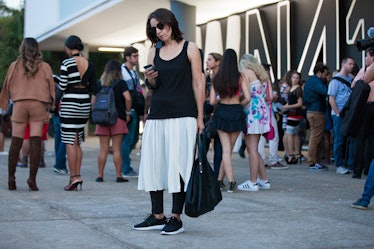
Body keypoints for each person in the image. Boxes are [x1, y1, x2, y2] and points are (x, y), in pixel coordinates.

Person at [133, 8, 204, 235]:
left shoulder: (190, 48)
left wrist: (200, 117)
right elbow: (153, 88)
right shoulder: (154, 50)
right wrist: (150, 81)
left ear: (170, 23)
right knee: (154, 163)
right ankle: (157, 216)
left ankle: (176, 217)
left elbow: (197, 84)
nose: (158, 31)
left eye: (160, 26)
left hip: (184, 115)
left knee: (178, 165)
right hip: (157, 114)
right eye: (153, 28)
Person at [0, 37, 55, 191]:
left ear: (22, 49)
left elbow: (6, 85)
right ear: (37, 49)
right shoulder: (45, 66)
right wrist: (50, 106)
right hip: (38, 105)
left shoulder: (14, 66)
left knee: (16, 141)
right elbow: (51, 87)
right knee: (36, 141)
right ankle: (32, 180)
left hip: (19, 105)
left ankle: (11, 178)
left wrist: (4, 104)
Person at [58, 35, 96, 191]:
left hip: (70, 102)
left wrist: (54, 104)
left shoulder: (66, 63)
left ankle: (74, 177)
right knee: (77, 139)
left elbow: (62, 86)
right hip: (84, 102)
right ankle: (77, 175)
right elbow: (94, 87)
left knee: (69, 140)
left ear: (68, 48)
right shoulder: (89, 64)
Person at [209, 49, 250, 193]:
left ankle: (227, 181)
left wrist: (222, 100)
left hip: (222, 112)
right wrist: (239, 104)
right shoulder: (240, 77)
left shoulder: (217, 78)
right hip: (237, 112)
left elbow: (213, 100)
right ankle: (224, 181)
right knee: (229, 149)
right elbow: (248, 97)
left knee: (226, 150)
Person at [237, 53, 272, 192]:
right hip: (261, 111)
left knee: (251, 148)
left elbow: (246, 97)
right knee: (255, 148)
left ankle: (252, 182)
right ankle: (263, 179)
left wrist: (236, 104)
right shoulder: (261, 75)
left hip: (251, 112)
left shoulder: (244, 73)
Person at [94, 59, 132, 183]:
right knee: (116, 148)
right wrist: (127, 112)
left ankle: (100, 175)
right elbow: (128, 98)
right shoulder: (121, 83)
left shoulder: (99, 83)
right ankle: (119, 175)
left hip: (102, 119)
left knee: (103, 148)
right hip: (118, 118)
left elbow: (93, 102)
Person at [327, 57, 355, 174]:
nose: (352, 66)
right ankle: (339, 164)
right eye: (350, 64)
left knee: (349, 139)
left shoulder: (351, 79)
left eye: (353, 64)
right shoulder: (335, 81)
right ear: (344, 65)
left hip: (349, 112)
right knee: (339, 139)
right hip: (339, 113)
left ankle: (349, 163)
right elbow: (331, 99)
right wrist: (337, 113)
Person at [258, 63, 287, 169]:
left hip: (257, 112)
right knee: (273, 135)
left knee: (261, 137)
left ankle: (262, 161)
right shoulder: (265, 81)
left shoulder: (254, 80)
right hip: (266, 110)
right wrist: (272, 97)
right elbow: (269, 96)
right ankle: (274, 160)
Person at [303, 62, 329, 171]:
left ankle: (316, 161)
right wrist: (327, 82)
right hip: (317, 112)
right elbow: (326, 91)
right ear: (319, 72)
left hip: (313, 111)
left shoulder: (311, 81)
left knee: (316, 138)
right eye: (325, 74)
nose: (326, 76)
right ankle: (312, 162)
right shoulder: (316, 81)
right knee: (315, 138)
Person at [120, 46, 141, 178]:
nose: (137, 58)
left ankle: (125, 164)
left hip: (135, 109)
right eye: (134, 56)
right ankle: (125, 167)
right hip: (128, 109)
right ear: (127, 57)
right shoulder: (122, 71)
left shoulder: (133, 72)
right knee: (127, 140)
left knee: (133, 139)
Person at [203, 52, 223, 177]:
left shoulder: (222, 78)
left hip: (218, 111)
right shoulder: (208, 78)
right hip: (207, 113)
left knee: (219, 146)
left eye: (209, 59)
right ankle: (202, 172)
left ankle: (217, 176)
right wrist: (204, 79)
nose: (207, 62)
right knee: (203, 142)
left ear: (218, 62)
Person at [283, 71, 303, 164]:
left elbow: (300, 103)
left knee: (290, 134)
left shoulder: (297, 89)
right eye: (293, 77)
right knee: (294, 134)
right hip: (292, 113)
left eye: (297, 78)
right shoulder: (292, 88)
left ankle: (291, 155)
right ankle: (297, 154)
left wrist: (288, 107)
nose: (295, 79)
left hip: (294, 114)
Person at [52, 75, 68, 175]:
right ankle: (59, 164)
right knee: (65, 138)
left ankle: (58, 162)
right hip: (63, 113)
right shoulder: (59, 80)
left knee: (58, 139)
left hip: (55, 114)